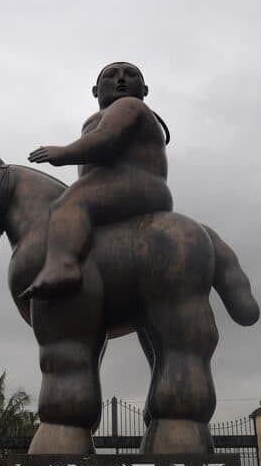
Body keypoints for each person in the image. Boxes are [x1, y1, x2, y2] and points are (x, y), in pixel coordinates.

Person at [21, 62, 172, 300]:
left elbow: (106, 140)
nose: (120, 80)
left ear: (145, 90)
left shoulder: (129, 106)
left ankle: (63, 266)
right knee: (79, 199)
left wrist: (62, 153)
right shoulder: (98, 117)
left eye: (130, 75)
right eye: (111, 76)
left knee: (68, 204)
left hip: (135, 184)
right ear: (94, 91)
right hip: (118, 188)